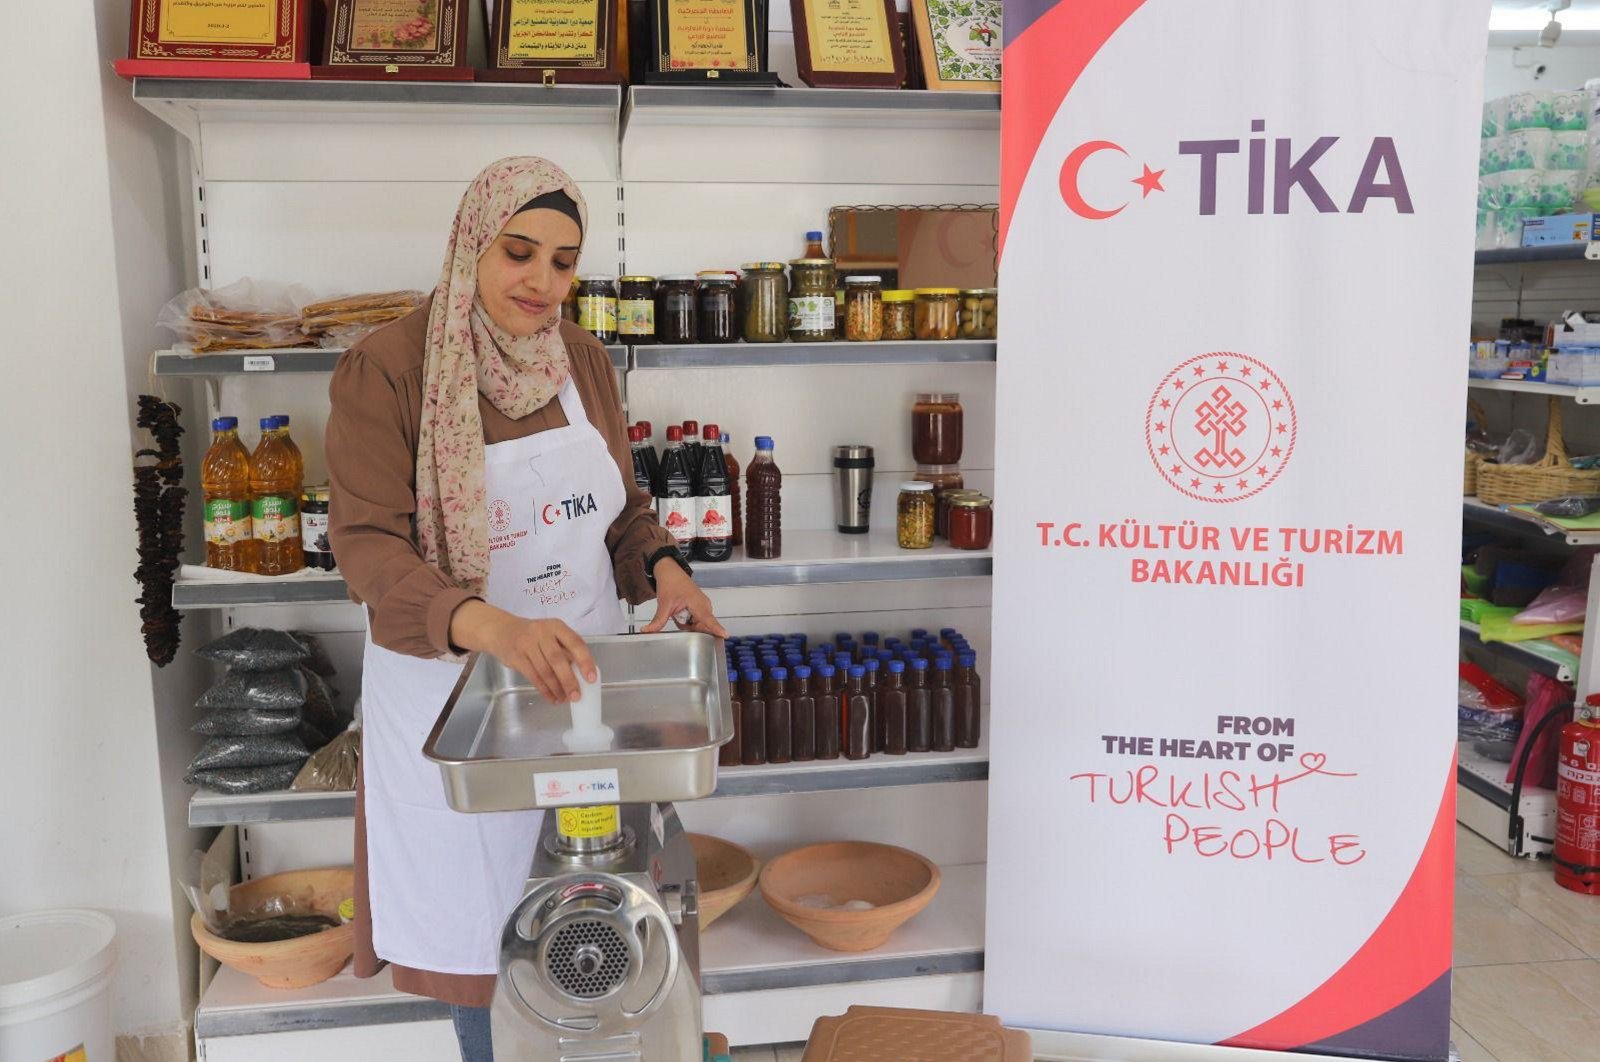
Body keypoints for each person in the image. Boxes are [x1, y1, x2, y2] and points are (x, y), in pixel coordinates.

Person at [325, 156, 727, 1062]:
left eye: (563, 262)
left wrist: (663, 566)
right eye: (519, 253)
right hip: (458, 697)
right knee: (489, 949)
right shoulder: (386, 369)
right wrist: (495, 628)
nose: (542, 283)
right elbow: (369, 550)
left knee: (601, 926)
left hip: (583, 686)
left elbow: (619, 509)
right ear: (473, 244)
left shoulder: (579, 360)